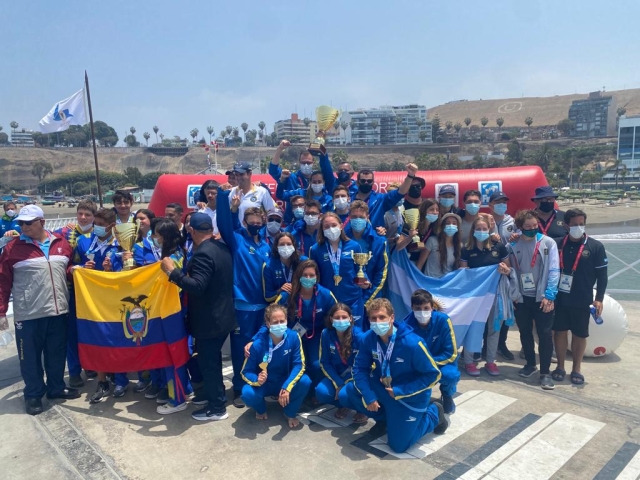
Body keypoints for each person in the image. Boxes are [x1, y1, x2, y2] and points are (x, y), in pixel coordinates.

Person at [338, 298, 448, 453]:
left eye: (382, 317)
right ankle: (383, 420)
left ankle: (434, 413)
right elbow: (359, 368)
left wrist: (402, 390)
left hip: (408, 396)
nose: (377, 322)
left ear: (392, 318)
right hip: (384, 389)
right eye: (373, 318)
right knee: (347, 392)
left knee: (398, 446)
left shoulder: (413, 343)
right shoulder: (369, 338)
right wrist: (369, 396)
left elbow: (433, 375)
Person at [0, 205, 79, 415]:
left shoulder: (61, 244)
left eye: (28, 222)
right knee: (30, 358)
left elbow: (65, 269)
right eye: (21, 223)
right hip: (29, 315)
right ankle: (34, 394)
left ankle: (56, 387)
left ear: (42, 222)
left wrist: (75, 270)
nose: (24, 227)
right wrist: (1, 311)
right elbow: (3, 281)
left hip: (58, 311)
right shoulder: (12, 249)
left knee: (56, 353)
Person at [163, 213, 235, 421]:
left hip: (209, 320)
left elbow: (197, 286)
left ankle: (217, 408)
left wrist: (172, 272)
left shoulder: (203, 253)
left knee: (209, 365)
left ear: (192, 231)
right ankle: (213, 395)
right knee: (211, 362)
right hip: (222, 316)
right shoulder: (221, 247)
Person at [217, 187, 271, 408]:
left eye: (259, 221)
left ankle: (259, 384)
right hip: (243, 307)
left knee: (261, 347)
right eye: (252, 221)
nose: (255, 224)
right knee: (242, 350)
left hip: (264, 307)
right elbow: (224, 225)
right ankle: (239, 388)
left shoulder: (267, 246)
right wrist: (227, 202)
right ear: (244, 221)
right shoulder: (237, 239)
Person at [553, 208, 608, 386]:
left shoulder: (596, 246)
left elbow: (602, 276)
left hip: (582, 299)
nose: (578, 227)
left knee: (579, 334)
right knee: (559, 333)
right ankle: (560, 367)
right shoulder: (557, 244)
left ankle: (576, 369)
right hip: (559, 298)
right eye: (574, 224)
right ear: (566, 225)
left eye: (581, 224)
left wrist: (599, 299)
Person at [68, 208, 119, 389]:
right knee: (94, 335)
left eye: (100, 225)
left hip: (112, 298)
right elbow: (71, 266)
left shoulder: (121, 243)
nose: (96, 227)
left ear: (111, 226)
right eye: (95, 224)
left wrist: (111, 270)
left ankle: (116, 372)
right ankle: (98, 375)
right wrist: (82, 267)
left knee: (112, 335)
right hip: (89, 298)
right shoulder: (83, 241)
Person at [510, 209, 560, 390]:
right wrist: (514, 294)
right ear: (520, 227)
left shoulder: (548, 243)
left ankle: (545, 373)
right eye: (528, 226)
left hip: (542, 298)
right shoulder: (513, 244)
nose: (532, 229)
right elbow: (511, 271)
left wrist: (549, 295)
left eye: (535, 226)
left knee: (545, 335)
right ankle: (530, 364)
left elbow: (554, 270)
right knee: (525, 332)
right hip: (522, 298)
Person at [241, 304, 311, 428]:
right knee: (247, 393)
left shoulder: (294, 337)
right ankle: (261, 409)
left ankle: (290, 413)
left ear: (286, 321)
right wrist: (257, 379)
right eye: (275, 322)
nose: (279, 325)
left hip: (284, 381)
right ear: (268, 324)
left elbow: (299, 365)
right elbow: (245, 371)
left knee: (305, 381)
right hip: (265, 383)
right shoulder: (257, 344)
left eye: (282, 321)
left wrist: (287, 386)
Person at [460, 216, 512, 376]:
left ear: (489, 230)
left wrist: (505, 270)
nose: (482, 231)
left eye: (484, 229)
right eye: (478, 229)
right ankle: (469, 362)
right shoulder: (466, 249)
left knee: (494, 329)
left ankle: (490, 361)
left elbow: (508, 269)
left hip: (495, 294)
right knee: (474, 328)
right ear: (473, 231)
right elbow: (463, 272)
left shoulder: (499, 247)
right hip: (475, 296)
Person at [276, 260, 337, 390]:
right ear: (299, 276)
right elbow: (271, 318)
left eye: (311, 275)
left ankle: (314, 391)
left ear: (317, 277)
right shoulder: (287, 295)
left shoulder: (326, 294)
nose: (308, 278)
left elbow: (337, 316)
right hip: (293, 335)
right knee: (293, 363)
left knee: (316, 365)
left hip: (317, 335)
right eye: (305, 275)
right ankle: (294, 390)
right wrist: (254, 340)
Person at [404, 289, 459, 414]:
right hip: (418, 365)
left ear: (432, 307)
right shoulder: (406, 325)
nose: (422, 312)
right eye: (418, 308)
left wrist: (429, 363)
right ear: (412, 308)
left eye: (426, 308)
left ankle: (447, 394)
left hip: (441, 362)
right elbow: (405, 352)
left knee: (451, 375)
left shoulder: (443, 320)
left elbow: (451, 353)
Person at [309, 212, 364, 328]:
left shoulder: (354, 246)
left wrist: (365, 282)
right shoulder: (315, 250)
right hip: (328, 301)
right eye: (327, 226)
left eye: (334, 225)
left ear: (341, 226)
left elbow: (361, 270)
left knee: (354, 334)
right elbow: (315, 277)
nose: (331, 229)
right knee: (331, 334)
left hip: (352, 299)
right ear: (322, 229)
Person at [316, 303, 367, 423]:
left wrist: (348, 382)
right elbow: (324, 362)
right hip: (338, 375)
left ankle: (362, 409)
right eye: (337, 317)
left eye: (344, 317)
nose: (340, 320)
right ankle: (343, 406)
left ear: (350, 318)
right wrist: (338, 383)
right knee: (321, 392)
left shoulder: (360, 337)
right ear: (331, 319)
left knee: (345, 394)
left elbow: (366, 366)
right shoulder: (326, 334)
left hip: (356, 377)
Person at [343, 200, 389, 309]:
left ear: (367, 217)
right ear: (349, 217)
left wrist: (366, 301)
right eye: (354, 217)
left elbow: (381, 275)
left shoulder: (379, 241)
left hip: (371, 298)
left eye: (361, 217)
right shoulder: (342, 238)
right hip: (347, 296)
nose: (358, 220)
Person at [488, 191, 516, 361]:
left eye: (504, 202)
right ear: (490, 205)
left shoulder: (513, 222)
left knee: (505, 308)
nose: (502, 205)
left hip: (507, 270)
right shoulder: (486, 221)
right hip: (488, 271)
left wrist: (516, 237)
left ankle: (502, 344)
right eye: (498, 202)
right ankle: (485, 345)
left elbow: (522, 241)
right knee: (488, 310)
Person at [348, 164, 416, 229]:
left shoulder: (380, 199)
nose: (366, 183)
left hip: (374, 236)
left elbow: (400, 192)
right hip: (351, 236)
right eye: (363, 181)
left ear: (373, 182)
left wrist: (410, 176)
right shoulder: (349, 200)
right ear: (357, 182)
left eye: (369, 181)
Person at [270, 140, 313, 223]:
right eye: (303, 163)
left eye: (308, 163)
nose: (306, 165)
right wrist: (279, 149)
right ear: (299, 163)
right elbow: (273, 170)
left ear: (313, 163)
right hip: (291, 221)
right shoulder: (291, 177)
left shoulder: (317, 180)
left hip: (311, 220)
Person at [262, 232, 306, 302]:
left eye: (289, 244)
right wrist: (280, 290)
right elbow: (267, 296)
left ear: (294, 246)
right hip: (280, 304)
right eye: (282, 244)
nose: (286, 247)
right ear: (276, 247)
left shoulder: (303, 262)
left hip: (301, 301)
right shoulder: (269, 266)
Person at [397, 198, 440, 264]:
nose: (435, 212)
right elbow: (398, 247)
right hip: (404, 261)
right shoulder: (411, 224)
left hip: (420, 263)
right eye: (431, 209)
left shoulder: (434, 228)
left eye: (437, 210)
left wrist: (423, 247)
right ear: (424, 211)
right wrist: (410, 237)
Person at [419, 213, 462, 278]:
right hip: (430, 281)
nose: (451, 225)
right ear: (443, 226)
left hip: (447, 282)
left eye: (454, 223)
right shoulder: (432, 241)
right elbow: (420, 264)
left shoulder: (459, 246)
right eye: (447, 223)